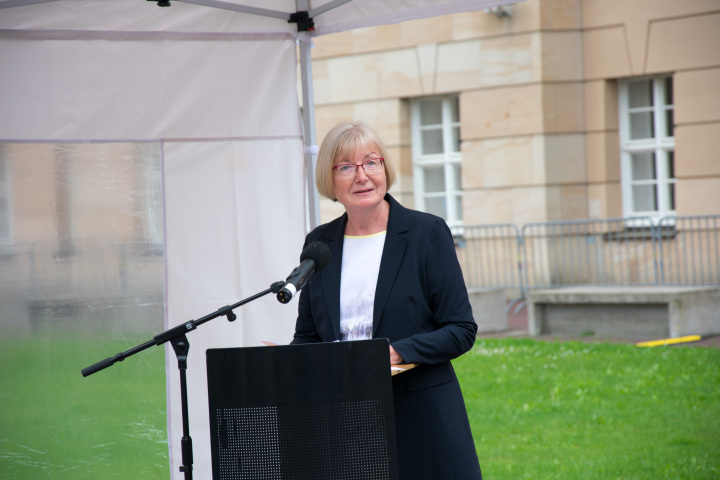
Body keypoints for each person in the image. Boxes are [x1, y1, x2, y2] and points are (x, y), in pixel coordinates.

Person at [291, 121, 482, 479]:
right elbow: (307, 336)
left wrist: (396, 352)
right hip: (344, 420)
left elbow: (461, 329)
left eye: (371, 162)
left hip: (421, 419)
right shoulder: (320, 244)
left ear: (384, 169)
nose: (361, 176)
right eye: (346, 167)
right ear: (329, 180)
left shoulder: (427, 233)